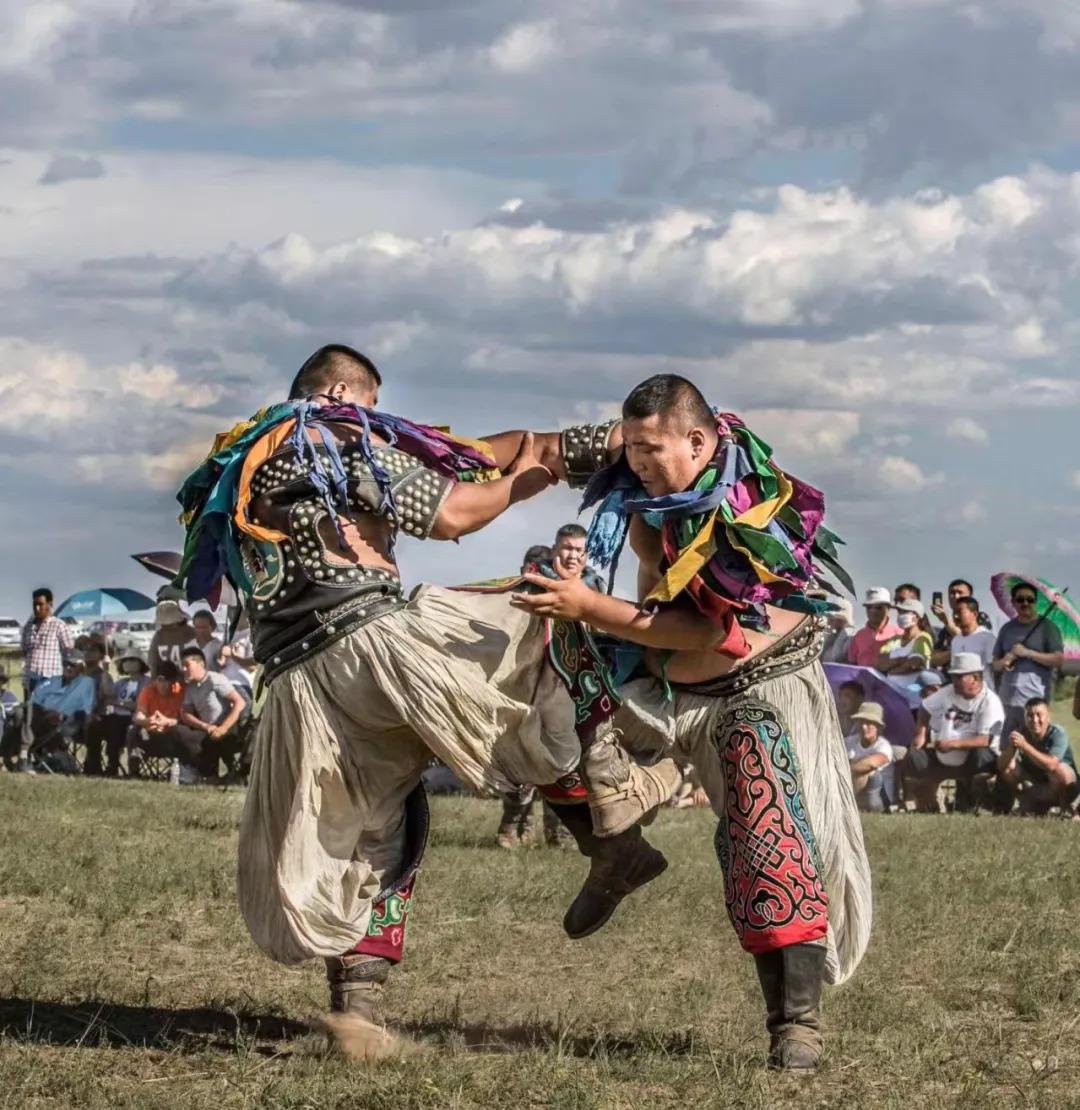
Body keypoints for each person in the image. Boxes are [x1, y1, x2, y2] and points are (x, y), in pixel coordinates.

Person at [173, 344, 679, 1056]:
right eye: (372, 407)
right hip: (366, 648)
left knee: (370, 827)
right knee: (535, 621)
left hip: (299, 677)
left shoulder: (252, 454)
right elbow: (451, 512)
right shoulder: (326, 435)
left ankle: (358, 1013)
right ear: (341, 393)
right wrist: (531, 475)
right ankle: (614, 819)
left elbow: (459, 455)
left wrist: (569, 446)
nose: (377, 421)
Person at [511, 374, 871, 1070]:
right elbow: (540, 451)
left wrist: (589, 606)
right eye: (632, 449)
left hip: (758, 690)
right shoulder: (646, 459)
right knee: (542, 700)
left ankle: (796, 1025)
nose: (638, 461)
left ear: (699, 443)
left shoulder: (744, 512)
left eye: (651, 450)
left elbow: (713, 633)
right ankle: (617, 849)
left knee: (764, 825)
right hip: (664, 679)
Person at [906, 652, 1004, 812]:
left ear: (975, 678)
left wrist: (953, 745)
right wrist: (921, 733)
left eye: (959, 677)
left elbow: (985, 739)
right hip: (941, 756)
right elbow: (925, 706)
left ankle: (978, 804)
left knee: (983, 755)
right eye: (953, 676)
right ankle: (928, 803)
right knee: (915, 755)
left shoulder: (990, 702)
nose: (954, 681)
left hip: (971, 760)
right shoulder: (949, 691)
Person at [992, 582, 1064, 743]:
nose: (1025, 603)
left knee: (1033, 747)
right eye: (1020, 599)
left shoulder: (1048, 628)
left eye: (1030, 599)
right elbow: (995, 665)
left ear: (1036, 602)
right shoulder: (1006, 629)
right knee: (1006, 746)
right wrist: (1004, 661)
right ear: (1013, 602)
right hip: (1007, 699)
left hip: (1035, 701)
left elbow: (1058, 659)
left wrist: (1028, 653)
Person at [992, 697, 1077, 815]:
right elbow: (1000, 765)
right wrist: (1012, 748)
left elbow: (1052, 765)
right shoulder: (1021, 733)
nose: (1034, 720)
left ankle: (1065, 808)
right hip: (1035, 784)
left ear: (1048, 717)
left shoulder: (1058, 733)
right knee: (1008, 766)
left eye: (1039, 715)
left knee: (1062, 770)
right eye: (1030, 716)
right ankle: (1026, 804)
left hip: (1062, 787)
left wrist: (1025, 746)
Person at [177, 647, 247, 779]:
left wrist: (223, 727)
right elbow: (186, 713)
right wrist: (205, 726)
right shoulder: (190, 687)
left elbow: (240, 702)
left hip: (228, 726)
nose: (184, 669)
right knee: (187, 737)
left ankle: (235, 772)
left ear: (201, 664)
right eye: (182, 666)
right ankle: (203, 774)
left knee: (220, 740)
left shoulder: (215, 680)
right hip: (207, 729)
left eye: (187, 665)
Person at [127, 661, 185, 778]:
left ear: (174, 681)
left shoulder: (181, 693)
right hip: (150, 735)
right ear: (155, 680)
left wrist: (168, 722)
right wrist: (148, 721)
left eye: (168, 681)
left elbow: (184, 719)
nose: (164, 685)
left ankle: (178, 770)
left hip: (171, 736)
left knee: (181, 730)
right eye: (160, 680)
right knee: (133, 729)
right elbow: (139, 715)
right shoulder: (148, 691)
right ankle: (134, 771)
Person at [20, 588, 75, 702]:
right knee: (30, 712)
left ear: (50, 604)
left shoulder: (59, 626)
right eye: (35, 604)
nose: (37, 608)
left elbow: (70, 652)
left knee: (48, 712)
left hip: (51, 681)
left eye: (40, 604)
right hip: (30, 680)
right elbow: (24, 650)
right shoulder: (28, 627)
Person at [845, 702, 895, 813]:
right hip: (856, 789)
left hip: (879, 796)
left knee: (867, 772)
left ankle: (848, 803)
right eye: (861, 722)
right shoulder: (849, 742)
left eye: (868, 723)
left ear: (878, 727)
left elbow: (871, 763)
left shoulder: (883, 746)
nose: (864, 727)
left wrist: (844, 769)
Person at [930, 596, 994, 678]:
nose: (956, 616)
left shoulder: (987, 638)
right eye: (954, 612)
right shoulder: (956, 640)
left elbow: (994, 668)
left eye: (960, 612)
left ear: (974, 614)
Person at [931, 579, 993, 655]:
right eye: (952, 593)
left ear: (970, 596)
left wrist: (948, 623)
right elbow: (935, 655)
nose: (956, 596)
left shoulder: (979, 617)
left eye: (960, 593)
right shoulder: (947, 627)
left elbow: (975, 642)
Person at [875, 599, 932, 680]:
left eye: (904, 612)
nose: (900, 615)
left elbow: (914, 664)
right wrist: (902, 661)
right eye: (900, 612)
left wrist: (890, 669)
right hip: (890, 685)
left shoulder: (923, 638)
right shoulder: (895, 639)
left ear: (916, 617)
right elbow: (879, 663)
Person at [847, 587, 902, 667]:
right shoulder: (859, 636)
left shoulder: (899, 634)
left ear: (888, 608)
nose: (873, 611)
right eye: (869, 607)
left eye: (879, 608)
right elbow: (852, 664)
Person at [147, 600, 198, 668]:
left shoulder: (190, 633)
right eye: (163, 623)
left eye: (168, 624)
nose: (164, 626)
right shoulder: (159, 635)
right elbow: (153, 662)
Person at [821, 599, 855, 664]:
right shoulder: (830, 635)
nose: (834, 623)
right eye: (831, 619)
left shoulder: (849, 638)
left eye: (838, 620)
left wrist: (843, 633)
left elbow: (836, 657)